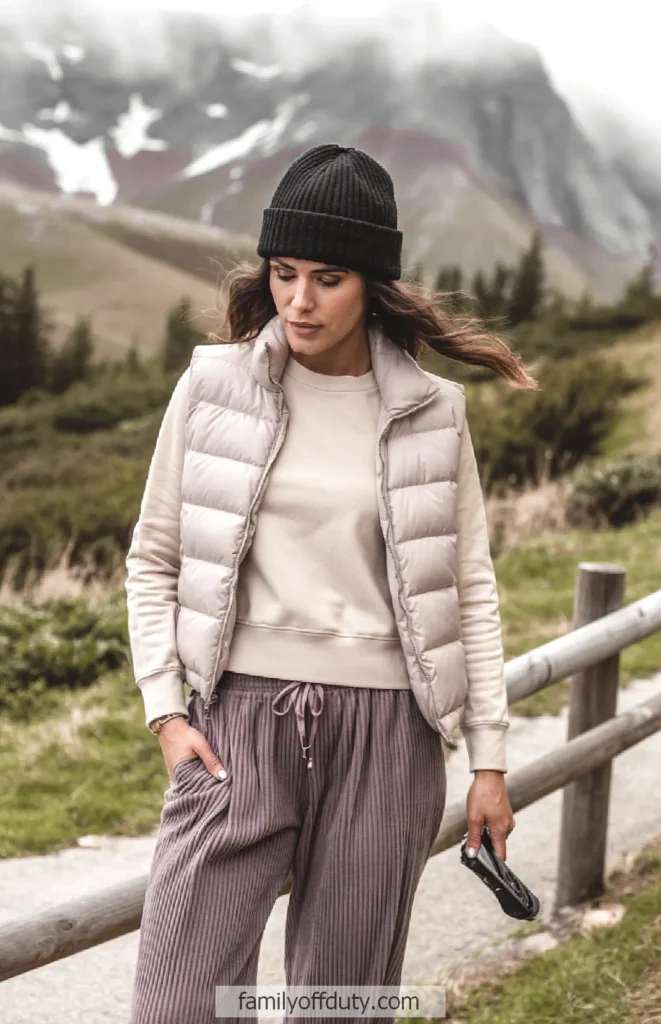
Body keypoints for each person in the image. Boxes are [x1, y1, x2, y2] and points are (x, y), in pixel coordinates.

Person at [125, 144, 537, 1024]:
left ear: (372, 285)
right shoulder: (212, 387)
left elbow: (469, 589)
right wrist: (166, 710)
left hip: (389, 738)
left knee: (339, 1009)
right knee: (175, 1003)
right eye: (283, 274)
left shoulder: (434, 412)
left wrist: (488, 763)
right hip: (235, 725)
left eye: (327, 278)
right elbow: (153, 557)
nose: (299, 301)